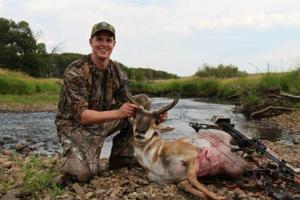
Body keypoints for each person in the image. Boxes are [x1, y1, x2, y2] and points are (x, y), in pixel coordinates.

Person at [55, 22, 167, 183]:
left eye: (108, 40)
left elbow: (133, 108)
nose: (104, 44)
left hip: (103, 121)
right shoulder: (75, 71)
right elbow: (82, 117)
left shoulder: (117, 72)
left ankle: (122, 156)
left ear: (114, 44)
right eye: (99, 39)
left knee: (141, 101)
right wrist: (118, 113)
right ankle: (78, 159)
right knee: (80, 175)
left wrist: (155, 117)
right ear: (91, 42)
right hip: (75, 127)